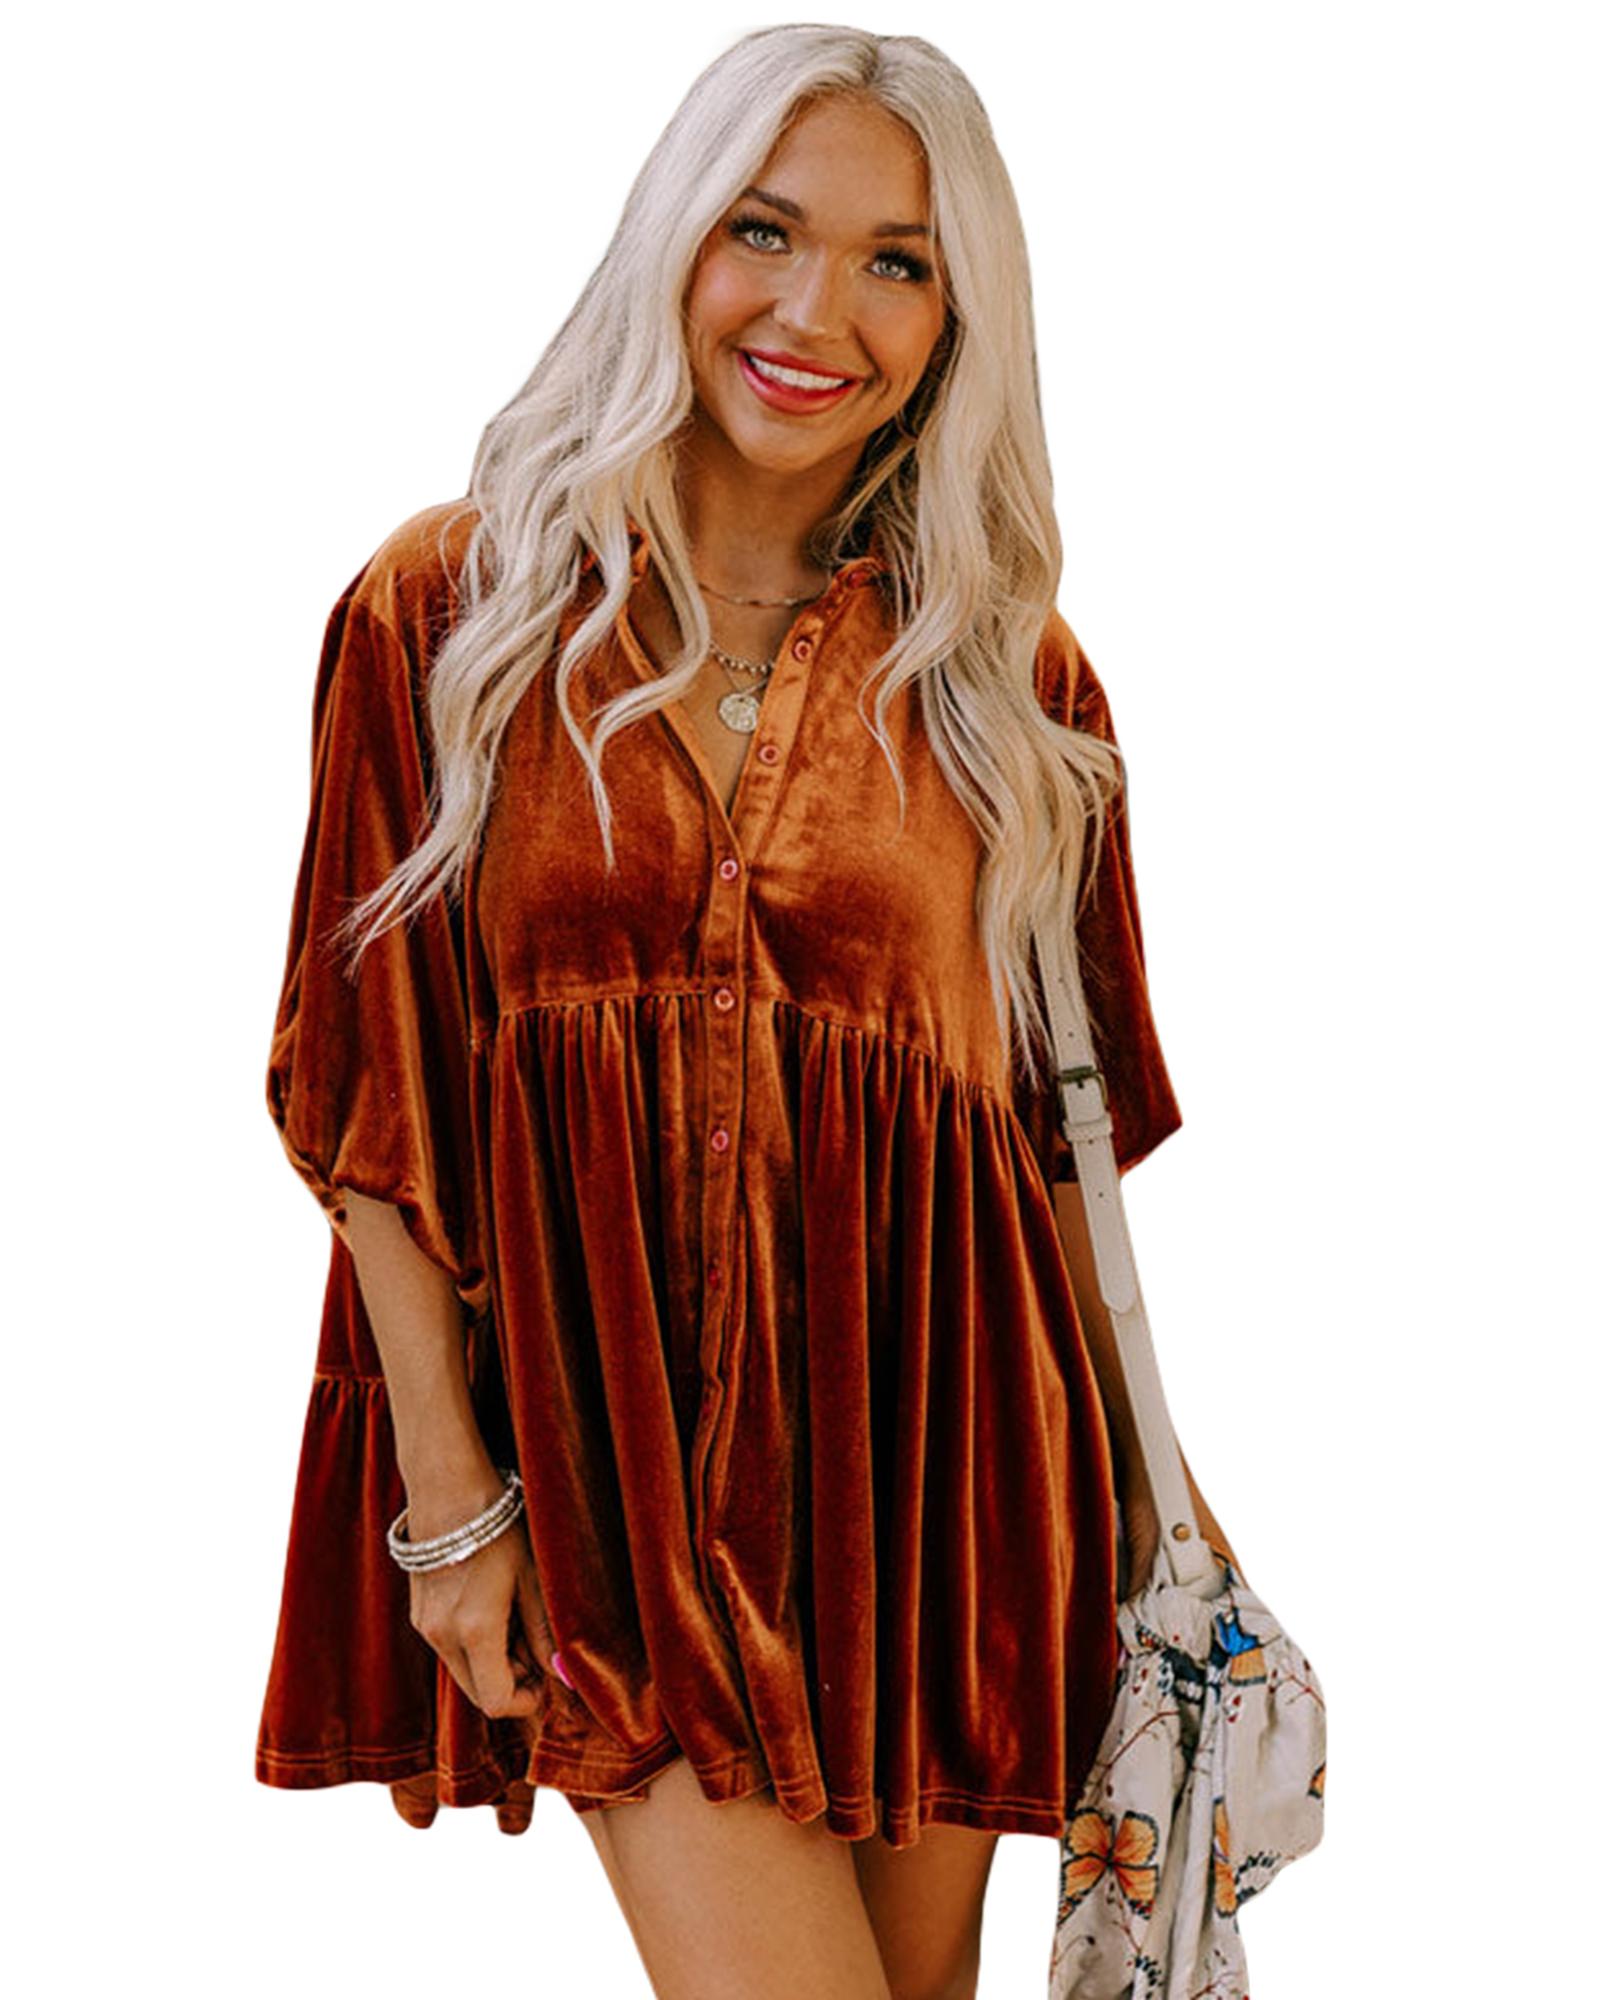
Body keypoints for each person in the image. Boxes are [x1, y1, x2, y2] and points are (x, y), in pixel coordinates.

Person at [257, 23, 1240, 2000]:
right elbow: (368, 1082)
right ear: (674, 242)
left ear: (957, 315)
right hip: (605, 1485)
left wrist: (1170, 1519)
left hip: (941, 1490)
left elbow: (1053, 1152)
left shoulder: (1009, 682)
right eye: (764, 231)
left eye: (896, 261)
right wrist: (448, 1501)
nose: (816, 312)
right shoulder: (450, 616)